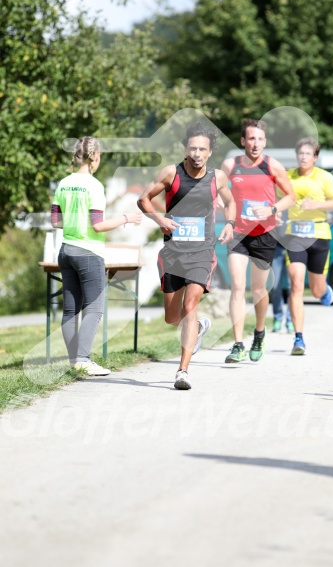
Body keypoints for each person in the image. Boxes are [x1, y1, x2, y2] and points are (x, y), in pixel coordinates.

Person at [137, 122, 236, 390]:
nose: (197, 153)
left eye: (202, 149)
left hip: (202, 252)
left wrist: (229, 223)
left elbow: (231, 202)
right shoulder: (171, 173)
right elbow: (144, 199)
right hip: (173, 253)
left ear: (210, 151)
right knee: (172, 317)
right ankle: (199, 327)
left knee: (190, 306)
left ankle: (182, 371)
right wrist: (160, 219)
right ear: (185, 148)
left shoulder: (218, 178)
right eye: (192, 148)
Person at [51, 136, 142, 375]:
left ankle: (75, 362)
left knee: (70, 310)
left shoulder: (63, 183)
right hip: (89, 253)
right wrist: (126, 218)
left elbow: (55, 221)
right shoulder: (94, 185)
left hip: (66, 251)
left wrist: (74, 221)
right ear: (94, 157)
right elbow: (98, 226)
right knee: (94, 308)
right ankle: (83, 360)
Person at [221, 119, 296, 364]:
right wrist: (226, 215)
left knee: (258, 290)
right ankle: (237, 344)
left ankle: (259, 333)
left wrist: (273, 209)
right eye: (251, 139)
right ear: (243, 141)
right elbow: (222, 197)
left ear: (265, 142)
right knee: (238, 286)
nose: (255, 144)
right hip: (239, 234)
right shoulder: (231, 165)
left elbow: (291, 196)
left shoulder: (272, 165)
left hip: (265, 234)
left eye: (260, 139)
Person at [284, 137, 333, 355]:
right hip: (295, 235)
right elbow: (276, 196)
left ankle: (323, 289)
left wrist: (316, 204)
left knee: (316, 290)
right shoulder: (288, 176)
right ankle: (298, 338)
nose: (303, 157)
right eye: (300, 153)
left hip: (319, 234)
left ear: (315, 158)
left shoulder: (324, 177)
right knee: (297, 284)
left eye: (308, 154)